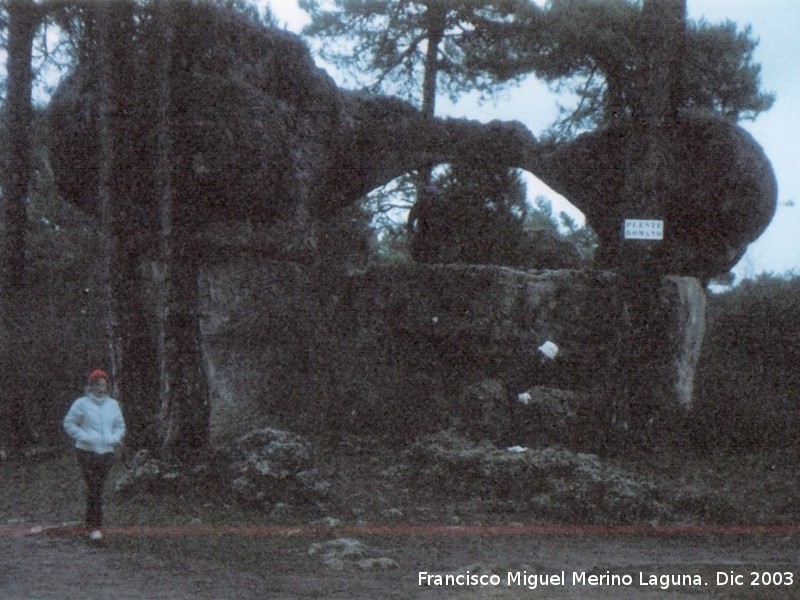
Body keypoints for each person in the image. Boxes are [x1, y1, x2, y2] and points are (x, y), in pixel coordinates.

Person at [63, 369, 125, 541]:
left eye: (103, 385)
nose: (100, 388)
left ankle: (91, 524)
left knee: (98, 487)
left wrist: (114, 438)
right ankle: (95, 527)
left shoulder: (113, 404)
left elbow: (120, 425)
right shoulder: (81, 404)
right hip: (86, 451)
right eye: (96, 385)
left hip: (106, 452)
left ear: (107, 387)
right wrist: (84, 436)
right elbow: (69, 423)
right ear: (90, 386)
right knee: (94, 486)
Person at [514, 341, 559, 405]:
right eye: (542, 356)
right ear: (539, 352)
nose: (543, 361)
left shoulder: (543, 371)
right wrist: (518, 396)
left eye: (547, 360)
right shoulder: (524, 361)